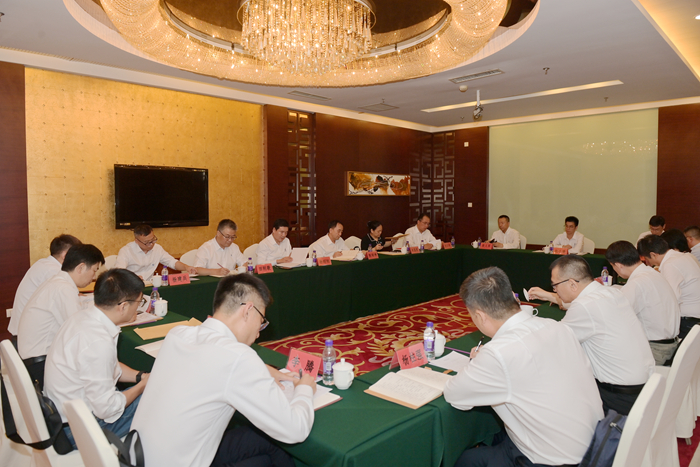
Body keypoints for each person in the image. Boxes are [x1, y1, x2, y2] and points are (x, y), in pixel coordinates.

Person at [132, 274, 316, 467]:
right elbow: (295, 430)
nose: (259, 332)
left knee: (265, 454)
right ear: (248, 310)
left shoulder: (178, 334)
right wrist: (304, 388)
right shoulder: (238, 358)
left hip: (139, 455)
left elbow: (214, 362)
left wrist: (267, 370)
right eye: (261, 320)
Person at [444, 267, 602, 467]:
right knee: (499, 435)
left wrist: (479, 361)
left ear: (480, 316)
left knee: (467, 460)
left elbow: (454, 395)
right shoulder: (557, 326)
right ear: (512, 296)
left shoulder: (498, 353)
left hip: (552, 460)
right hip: (596, 445)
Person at [528, 255, 654, 415]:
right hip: (645, 387)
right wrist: (549, 296)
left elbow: (555, 340)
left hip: (618, 398)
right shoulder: (611, 292)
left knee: (555, 392)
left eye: (555, 285)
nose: (555, 290)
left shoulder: (584, 306)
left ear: (572, 284)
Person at [44, 268, 150, 448]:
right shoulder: (97, 341)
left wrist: (141, 376)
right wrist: (142, 386)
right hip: (79, 430)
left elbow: (110, 366)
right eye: (139, 303)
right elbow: (107, 409)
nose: (138, 308)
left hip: (62, 416)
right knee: (158, 397)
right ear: (123, 306)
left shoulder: (82, 317)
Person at [17, 244, 105, 388]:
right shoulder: (63, 288)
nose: (94, 277)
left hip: (34, 358)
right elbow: (80, 331)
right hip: (41, 364)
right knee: (99, 368)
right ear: (81, 268)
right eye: (94, 270)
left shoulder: (57, 281)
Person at [605, 241, 680, 365]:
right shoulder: (652, 273)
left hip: (655, 350)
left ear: (618, 265)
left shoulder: (637, 283)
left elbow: (616, 316)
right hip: (669, 344)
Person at [9, 234, 81, 337]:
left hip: (22, 332)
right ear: (65, 255)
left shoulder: (43, 263)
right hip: (27, 337)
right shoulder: (54, 271)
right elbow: (70, 312)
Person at [638, 235, 700, 339]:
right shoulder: (686, 256)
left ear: (653, 255)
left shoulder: (670, 264)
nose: (648, 263)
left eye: (647, 259)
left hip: (688, 321)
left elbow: (670, 299)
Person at [115, 224, 196, 280]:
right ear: (136, 241)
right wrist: (133, 278)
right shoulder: (126, 251)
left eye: (153, 240)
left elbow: (172, 262)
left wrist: (186, 267)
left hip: (150, 285)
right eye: (147, 242)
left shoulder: (157, 248)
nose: (151, 244)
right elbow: (119, 272)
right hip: (132, 288)